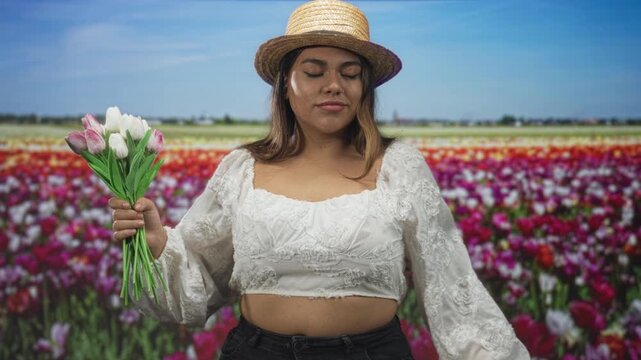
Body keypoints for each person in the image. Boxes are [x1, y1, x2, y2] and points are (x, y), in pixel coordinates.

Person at [109, 0, 531, 359]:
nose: (334, 85)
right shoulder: (242, 168)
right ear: (286, 86)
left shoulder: (399, 166)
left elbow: (452, 287)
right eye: (314, 72)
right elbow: (197, 277)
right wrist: (157, 244)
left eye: (350, 73)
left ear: (365, 88)